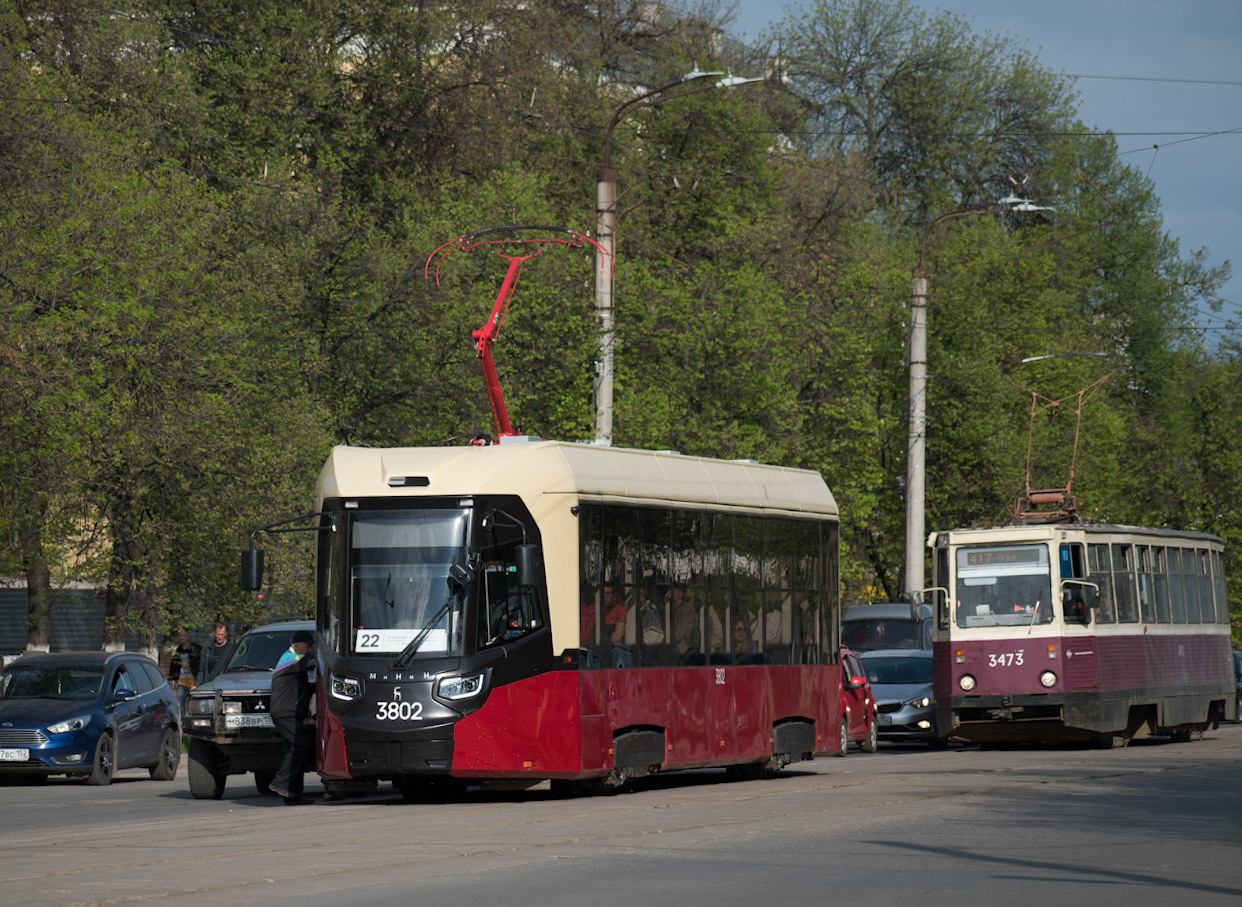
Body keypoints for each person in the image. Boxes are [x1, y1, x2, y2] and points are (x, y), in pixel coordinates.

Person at [268, 630, 316, 805]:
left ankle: (293, 795)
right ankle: (280, 782)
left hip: (291, 712)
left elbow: (300, 687)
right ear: (296, 644)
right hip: (285, 712)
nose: (310, 649)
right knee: (301, 744)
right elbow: (313, 662)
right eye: (308, 646)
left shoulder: (295, 662)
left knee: (294, 750)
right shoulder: (291, 659)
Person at [167, 630, 201, 716]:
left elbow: (199, 664)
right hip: (182, 680)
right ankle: (182, 721)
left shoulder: (195, 649)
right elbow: (174, 666)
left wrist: (190, 664)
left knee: (193, 701)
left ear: (188, 636)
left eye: (184, 635)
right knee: (181, 702)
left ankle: (193, 718)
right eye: (180, 635)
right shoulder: (179, 650)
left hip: (193, 680)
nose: (182, 637)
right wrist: (173, 679)